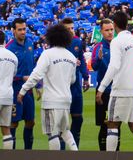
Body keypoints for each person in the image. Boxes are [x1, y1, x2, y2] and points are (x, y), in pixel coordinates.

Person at [96, 10, 133, 152]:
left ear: (114, 24)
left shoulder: (116, 41)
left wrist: (101, 88)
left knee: (112, 124)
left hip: (121, 89)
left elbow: (114, 66)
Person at [18, 23, 80, 151]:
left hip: (51, 100)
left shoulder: (47, 54)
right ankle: (76, 153)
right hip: (66, 99)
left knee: (52, 133)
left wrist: (23, 90)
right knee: (65, 130)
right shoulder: (71, 57)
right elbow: (73, 79)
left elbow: (36, 74)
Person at [9, 18, 39, 150]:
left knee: (30, 122)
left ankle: (28, 153)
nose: (22, 32)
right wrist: (22, 78)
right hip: (15, 90)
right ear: (13, 30)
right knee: (13, 123)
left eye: (24, 29)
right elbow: (7, 74)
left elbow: (33, 66)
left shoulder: (30, 43)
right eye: (19, 29)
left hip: (28, 90)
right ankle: (12, 155)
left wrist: (37, 85)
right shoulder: (9, 48)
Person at [90, 18, 118, 151]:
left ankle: (116, 154)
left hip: (118, 92)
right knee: (104, 124)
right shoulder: (98, 47)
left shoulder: (118, 46)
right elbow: (94, 67)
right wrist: (99, 59)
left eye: (111, 29)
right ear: (101, 31)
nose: (110, 32)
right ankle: (103, 153)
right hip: (104, 92)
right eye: (107, 30)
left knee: (117, 124)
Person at [62, 18, 89, 149]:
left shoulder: (77, 42)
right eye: (68, 29)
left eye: (72, 28)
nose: (71, 31)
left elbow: (82, 60)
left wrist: (85, 76)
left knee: (78, 118)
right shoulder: (57, 44)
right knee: (61, 122)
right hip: (62, 86)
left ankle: (74, 149)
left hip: (75, 86)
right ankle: (60, 151)